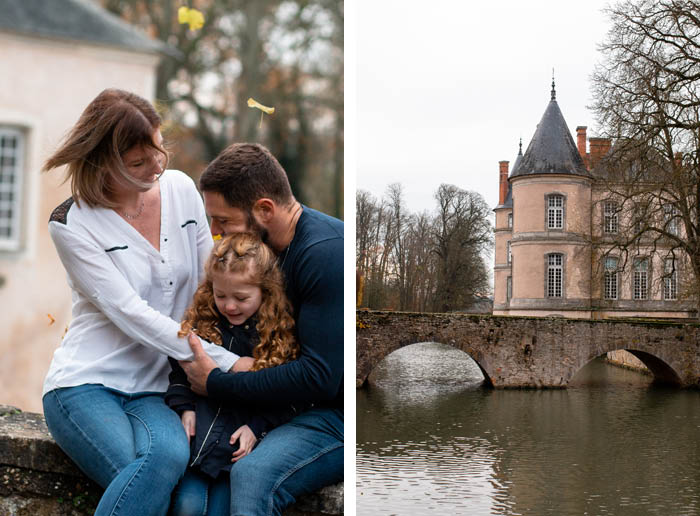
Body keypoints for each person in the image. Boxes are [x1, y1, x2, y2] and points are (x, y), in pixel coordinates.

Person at [41, 89, 244, 516]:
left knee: (169, 460)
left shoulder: (182, 190)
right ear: (102, 163)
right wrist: (225, 363)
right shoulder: (71, 224)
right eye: (137, 163)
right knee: (154, 476)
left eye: (158, 151)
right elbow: (131, 313)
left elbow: (212, 278)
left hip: (157, 387)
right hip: (86, 384)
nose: (155, 168)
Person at [179, 142, 344, 516]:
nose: (216, 233)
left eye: (223, 221)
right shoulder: (261, 258)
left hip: (333, 414)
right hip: (283, 409)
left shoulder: (325, 254)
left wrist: (218, 382)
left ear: (264, 210)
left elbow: (320, 378)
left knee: (253, 476)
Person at [166, 232, 303, 516]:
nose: (229, 306)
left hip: (236, 454)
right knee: (187, 507)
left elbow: (289, 397)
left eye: (241, 298)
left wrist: (257, 427)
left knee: (220, 510)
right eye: (220, 296)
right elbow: (180, 371)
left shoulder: (277, 337)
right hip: (198, 447)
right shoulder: (204, 323)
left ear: (265, 292)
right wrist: (184, 407)